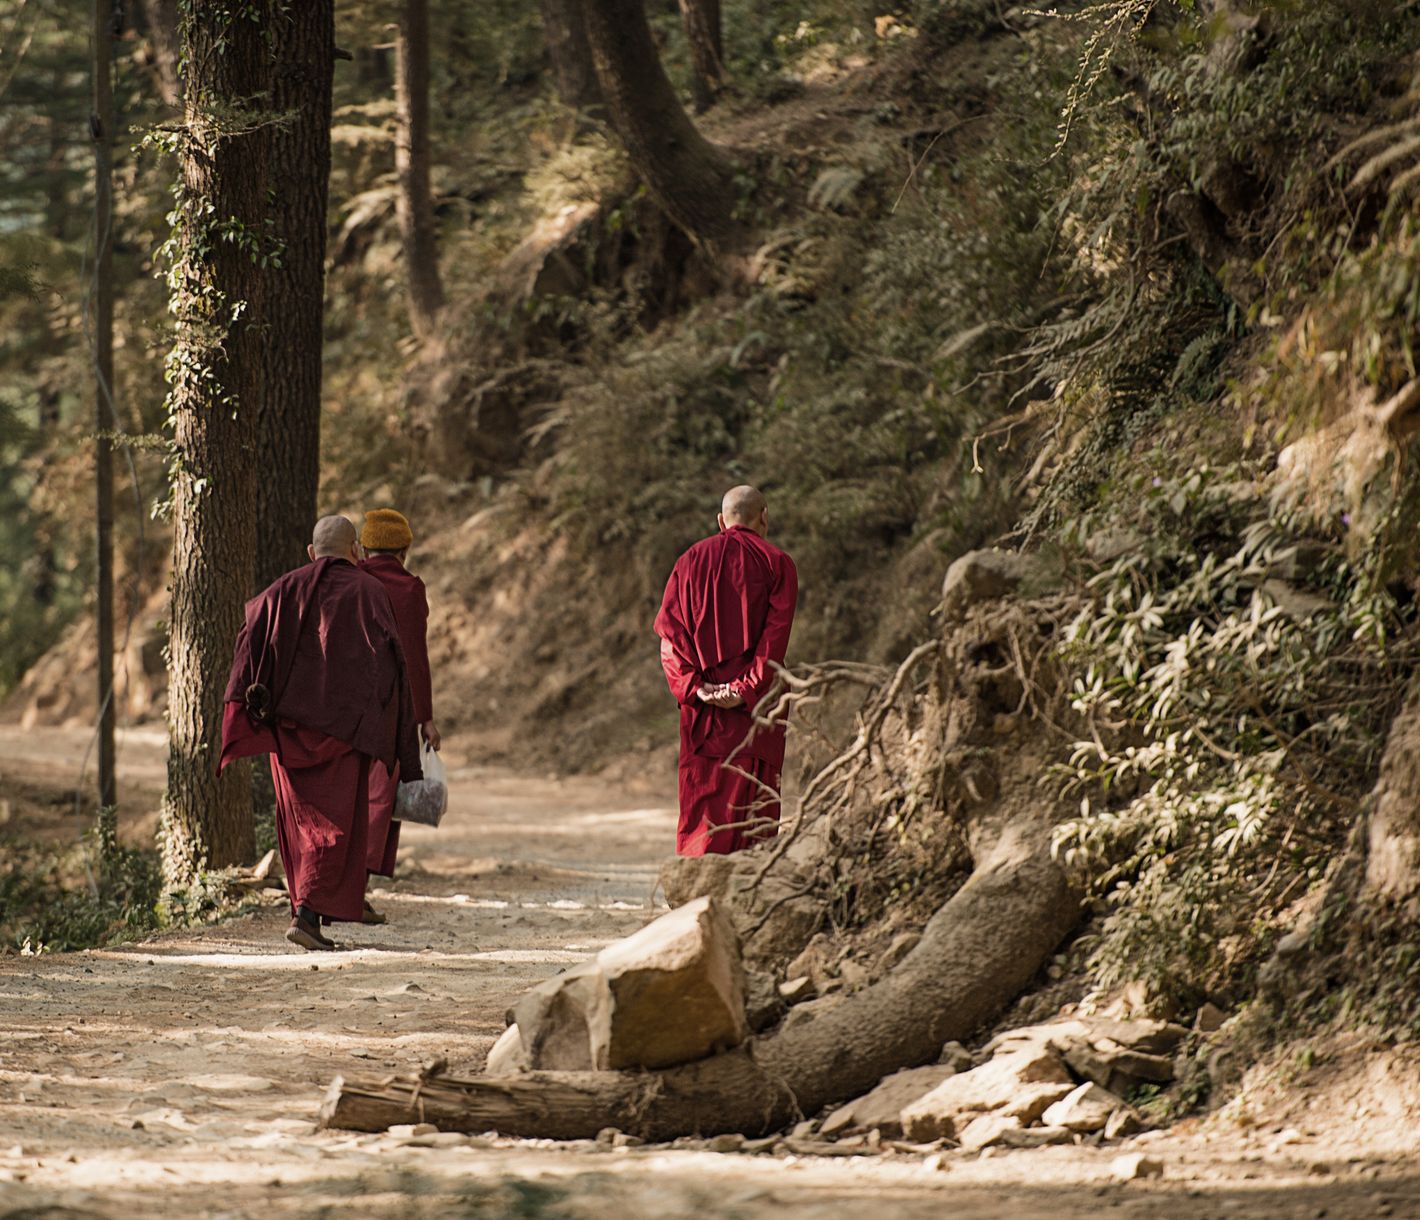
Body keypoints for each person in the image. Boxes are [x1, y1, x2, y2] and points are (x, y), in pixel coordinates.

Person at [219, 515, 423, 951]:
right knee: (337, 825)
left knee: (302, 824)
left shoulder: (279, 591)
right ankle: (308, 914)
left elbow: (248, 646)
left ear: (311, 553)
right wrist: (388, 723)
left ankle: (306, 910)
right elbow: (392, 664)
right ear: (355, 552)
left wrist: (253, 709)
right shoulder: (370, 592)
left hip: (289, 730)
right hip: (345, 729)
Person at [654, 485, 798, 856]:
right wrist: (744, 689)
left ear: (721, 521)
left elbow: (670, 638)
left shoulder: (688, 561)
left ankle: (694, 899)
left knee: (703, 814)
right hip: (755, 712)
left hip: (703, 717)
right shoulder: (777, 563)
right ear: (764, 517)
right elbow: (774, 643)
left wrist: (695, 688)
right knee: (753, 820)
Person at [358, 508, 439, 923]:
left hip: (341, 707)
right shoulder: (409, 589)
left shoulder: (350, 579)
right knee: (380, 796)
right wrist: (424, 717)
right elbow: (415, 658)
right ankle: (355, 889)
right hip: (391, 709)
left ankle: (345, 889)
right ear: (404, 550)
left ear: (364, 548)